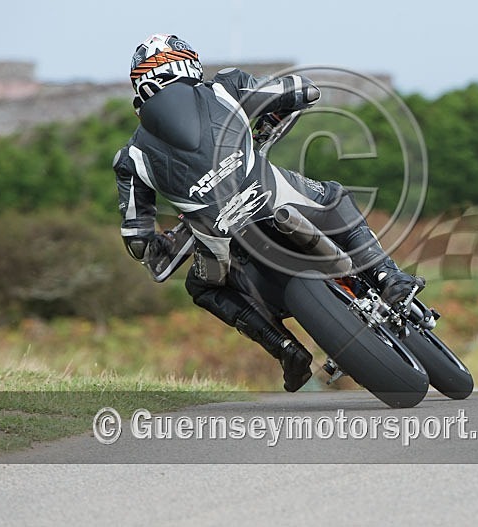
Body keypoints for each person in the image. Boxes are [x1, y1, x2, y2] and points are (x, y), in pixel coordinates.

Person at [114, 34, 424, 392]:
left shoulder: (130, 157)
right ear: (186, 63)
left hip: (219, 241)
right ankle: (388, 277)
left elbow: (138, 242)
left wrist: (169, 241)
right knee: (336, 197)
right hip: (275, 198)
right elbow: (302, 90)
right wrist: (268, 122)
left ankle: (284, 349)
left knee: (202, 287)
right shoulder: (224, 86)